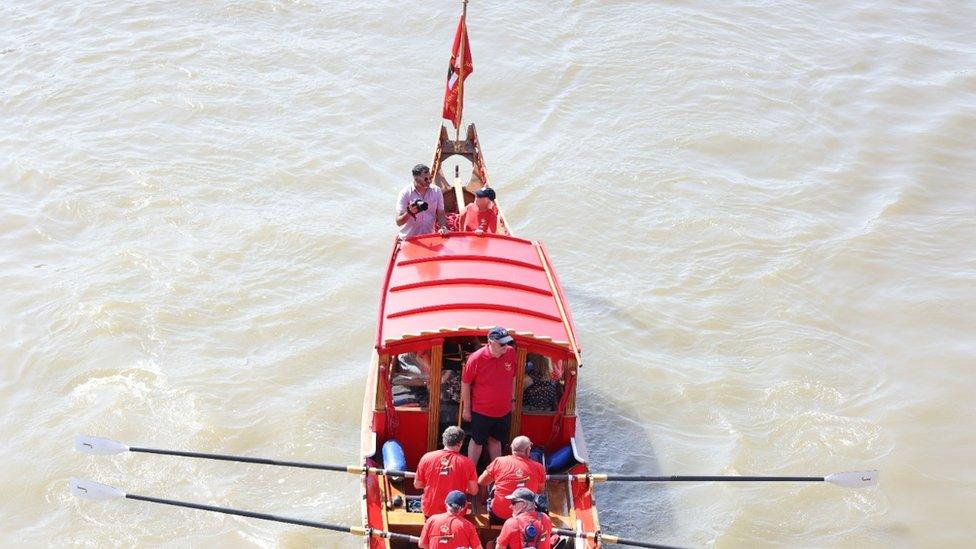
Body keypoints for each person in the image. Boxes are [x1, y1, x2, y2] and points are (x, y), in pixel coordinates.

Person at [462, 326, 517, 466]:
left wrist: (513, 399)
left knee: (496, 440)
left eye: (508, 342)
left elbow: (513, 377)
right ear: (491, 342)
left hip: (503, 410)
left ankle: (496, 474)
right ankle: (470, 473)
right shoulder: (476, 359)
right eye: (502, 343)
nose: (506, 346)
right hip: (481, 411)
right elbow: (465, 383)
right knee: (477, 441)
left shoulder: (510, 353)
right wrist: (466, 409)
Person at [479, 436, 547, 523]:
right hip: (525, 519)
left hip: (499, 516)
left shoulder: (499, 461)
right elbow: (539, 491)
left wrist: (483, 499)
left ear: (511, 448)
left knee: (495, 486)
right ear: (527, 450)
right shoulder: (539, 467)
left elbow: (481, 481)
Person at [414, 426, 479, 517]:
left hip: (430, 512)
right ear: (460, 443)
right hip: (456, 513)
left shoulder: (426, 457)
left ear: (444, 440)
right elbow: (474, 491)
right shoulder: (468, 463)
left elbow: (417, 485)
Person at [396, 163, 448, 239]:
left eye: (430, 178)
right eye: (426, 179)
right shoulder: (405, 193)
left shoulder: (437, 191)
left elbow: (441, 213)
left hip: (428, 237)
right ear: (416, 179)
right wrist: (409, 213)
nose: (429, 181)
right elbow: (398, 222)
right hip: (409, 239)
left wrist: (443, 227)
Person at [418, 490, 482, 549]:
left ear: (445, 502)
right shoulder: (468, 526)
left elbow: (422, 544)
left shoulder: (431, 520)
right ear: (463, 507)